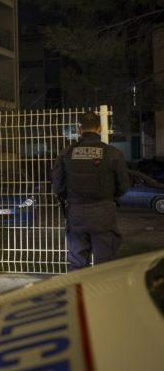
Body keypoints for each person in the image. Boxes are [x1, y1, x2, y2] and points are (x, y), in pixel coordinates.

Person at [51, 111, 130, 271]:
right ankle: (103, 295)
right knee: (105, 263)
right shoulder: (113, 153)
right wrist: (109, 196)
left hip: (76, 212)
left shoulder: (66, 153)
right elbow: (124, 185)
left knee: (78, 263)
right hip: (103, 212)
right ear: (100, 129)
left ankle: (80, 294)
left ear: (80, 130)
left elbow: (57, 186)